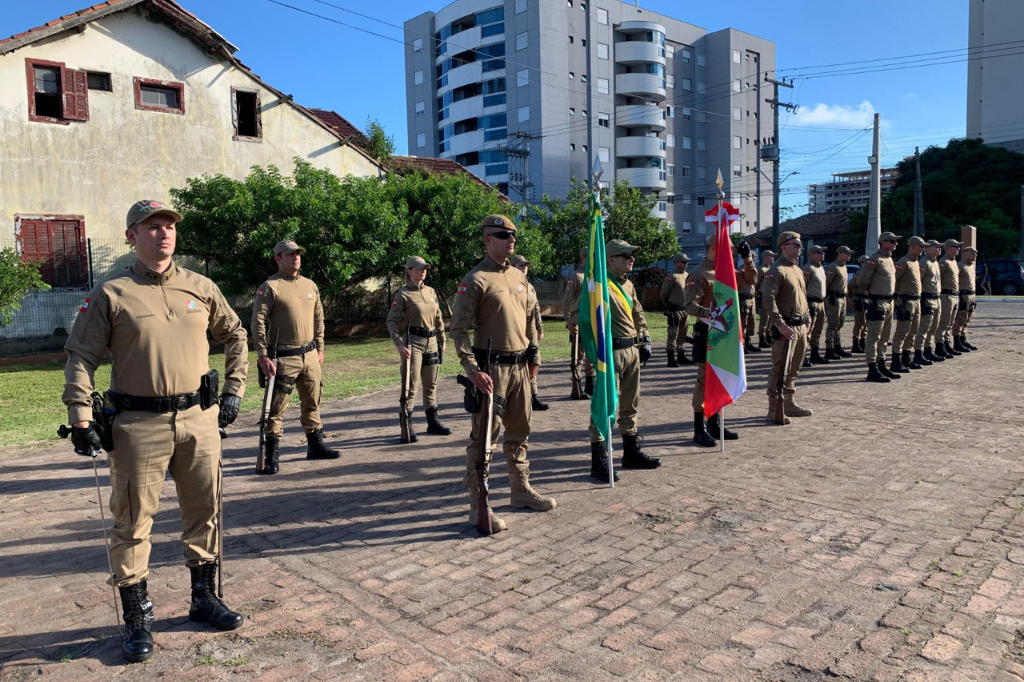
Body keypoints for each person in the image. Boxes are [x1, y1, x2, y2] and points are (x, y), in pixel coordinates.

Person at [63, 200, 249, 663]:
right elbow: (81, 357)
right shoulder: (112, 293)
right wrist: (81, 417)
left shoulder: (200, 287)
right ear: (131, 236)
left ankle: (203, 598)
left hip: (199, 420)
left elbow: (237, 334)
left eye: (169, 226)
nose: (163, 233)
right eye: (151, 227)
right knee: (131, 522)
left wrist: (234, 390)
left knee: (205, 511)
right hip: (137, 426)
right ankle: (137, 617)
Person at [450, 214, 555, 533]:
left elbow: (528, 323)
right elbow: (459, 329)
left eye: (512, 234)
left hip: (520, 367)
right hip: (490, 369)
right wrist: (471, 369)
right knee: (484, 439)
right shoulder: (476, 279)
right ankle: (476, 505)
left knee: (520, 432)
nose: (510, 238)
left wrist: (534, 354)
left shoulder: (520, 278)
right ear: (487, 240)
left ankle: (520, 491)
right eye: (502, 234)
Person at [570, 240, 661, 481]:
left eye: (632, 255)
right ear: (610, 259)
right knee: (605, 404)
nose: (631, 259)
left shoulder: (628, 284)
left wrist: (646, 338)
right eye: (625, 255)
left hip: (632, 351)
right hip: (610, 353)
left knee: (630, 404)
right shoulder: (597, 284)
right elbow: (577, 313)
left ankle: (630, 453)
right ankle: (598, 460)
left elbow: (638, 313)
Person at [252, 240, 340, 474]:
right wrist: (262, 354)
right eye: (289, 255)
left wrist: (320, 348)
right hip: (282, 357)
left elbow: (319, 319)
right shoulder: (270, 287)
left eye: (298, 254)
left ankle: (315, 445)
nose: (296, 258)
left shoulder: (310, 285)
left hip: (310, 354)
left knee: (313, 401)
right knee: (276, 407)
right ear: (278, 259)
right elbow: (258, 322)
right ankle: (271, 453)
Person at [684, 232, 757, 446]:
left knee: (722, 376)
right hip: (708, 333)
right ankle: (700, 428)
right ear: (715, 248)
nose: (732, 253)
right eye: (729, 249)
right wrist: (712, 313)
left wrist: (747, 259)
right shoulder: (699, 274)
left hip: (725, 333)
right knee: (705, 380)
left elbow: (750, 280)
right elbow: (690, 306)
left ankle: (715, 424)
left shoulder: (725, 272)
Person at [386, 256, 451, 442]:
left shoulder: (431, 291)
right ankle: (407, 424)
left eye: (425, 268)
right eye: (419, 268)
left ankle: (433, 421)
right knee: (411, 385)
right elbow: (391, 321)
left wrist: (442, 338)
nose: (423, 271)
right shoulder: (403, 295)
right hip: (412, 342)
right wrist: (398, 343)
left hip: (432, 341)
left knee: (431, 384)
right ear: (409, 271)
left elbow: (438, 316)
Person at [761, 231, 812, 424]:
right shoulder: (777, 270)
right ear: (784, 247)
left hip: (800, 326)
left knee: (795, 367)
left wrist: (807, 317)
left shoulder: (797, 270)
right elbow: (768, 299)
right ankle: (774, 408)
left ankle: (789, 402)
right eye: (796, 244)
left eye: (800, 244)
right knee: (779, 368)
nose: (800, 248)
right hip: (786, 327)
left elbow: (802, 297)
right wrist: (779, 323)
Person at [856, 231, 901, 382]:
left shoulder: (889, 259)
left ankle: (882, 364)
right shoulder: (874, 259)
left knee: (885, 336)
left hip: (889, 302)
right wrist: (871, 290)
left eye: (895, 241)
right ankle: (872, 368)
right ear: (882, 242)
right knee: (873, 336)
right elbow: (861, 280)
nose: (895, 243)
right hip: (877, 302)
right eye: (892, 241)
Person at [510, 255, 549, 410]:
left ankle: (533, 396)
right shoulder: (509, 285)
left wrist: (540, 327)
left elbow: (536, 308)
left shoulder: (530, 286)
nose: (524, 268)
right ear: (512, 267)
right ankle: (518, 397)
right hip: (516, 328)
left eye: (525, 265)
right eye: (521, 265)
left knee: (534, 360)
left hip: (530, 328)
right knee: (518, 363)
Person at [890, 236, 926, 373]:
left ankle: (906, 358)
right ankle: (895, 361)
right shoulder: (903, 262)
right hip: (906, 301)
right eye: (920, 246)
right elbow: (894, 280)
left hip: (916, 301)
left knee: (913, 331)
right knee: (902, 331)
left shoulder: (915, 262)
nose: (922, 249)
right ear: (911, 246)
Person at [562, 247, 594, 398]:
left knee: (592, 355)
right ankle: (577, 387)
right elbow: (567, 300)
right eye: (589, 257)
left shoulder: (595, 275)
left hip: (593, 322)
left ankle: (591, 385)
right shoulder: (576, 276)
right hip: (579, 322)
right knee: (578, 357)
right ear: (582, 258)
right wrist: (569, 321)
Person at [914, 239, 944, 366]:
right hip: (927, 299)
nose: (940, 249)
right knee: (924, 328)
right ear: (929, 249)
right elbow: (918, 281)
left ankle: (928, 350)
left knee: (933, 327)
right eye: (937, 247)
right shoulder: (923, 263)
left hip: (937, 298)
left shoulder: (935, 263)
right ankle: (918, 353)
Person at [660, 253, 693, 366]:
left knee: (683, 333)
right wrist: (668, 305)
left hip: (685, 309)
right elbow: (664, 292)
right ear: (676, 262)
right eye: (683, 262)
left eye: (687, 262)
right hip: (675, 310)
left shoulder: (686, 275)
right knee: (673, 334)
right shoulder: (672, 276)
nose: (686, 264)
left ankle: (681, 355)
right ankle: (670, 358)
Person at [823, 246, 853, 360]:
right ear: (839, 254)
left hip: (842, 298)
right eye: (847, 253)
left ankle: (837, 346)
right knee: (832, 325)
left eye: (849, 253)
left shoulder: (843, 266)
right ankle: (829, 349)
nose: (849, 255)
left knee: (840, 324)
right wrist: (827, 298)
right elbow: (826, 283)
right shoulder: (833, 267)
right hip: (834, 299)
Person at [936, 238, 963, 358]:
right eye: (955, 246)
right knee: (944, 322)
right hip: (946, 295)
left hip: (954, 295)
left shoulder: (954, 262)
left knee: (950, 323)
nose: (958, 249)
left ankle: (946, 343)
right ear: (947, 248)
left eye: (958, 246)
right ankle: (939, 345)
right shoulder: (943, 262)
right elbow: (938, 279)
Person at [802, 245, 828, 365]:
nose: (822, 254)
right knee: (808, 330)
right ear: (811, 254)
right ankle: (803, 356)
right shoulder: (808, 268)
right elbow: (802, 287)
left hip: (821, 302)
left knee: (817, 330)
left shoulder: (820, 267)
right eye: (819, 252)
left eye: (823, 252)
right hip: (811, 302)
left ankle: (814, 353)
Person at [953, 246, 979, 352]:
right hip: (963, 295)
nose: (975, 255)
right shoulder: (960, 265)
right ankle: (957, 341)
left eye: (976, 254)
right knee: (960, 319)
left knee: (966, 320)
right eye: (972, 253)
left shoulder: (971, 266)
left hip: (971, 296)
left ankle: (963, 339)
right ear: (965, 254)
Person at [737, 250, 761, 355]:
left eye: (754, 257)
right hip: (744, 298)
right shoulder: (742, 269)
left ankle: (748, 342)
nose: (754, 259)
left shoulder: (753, 270)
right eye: (752, 257)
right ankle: (742, 345)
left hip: (751, 298)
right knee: (744, 322)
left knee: (751, 322)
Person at [756, 250, 777, 348]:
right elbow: (757, 284)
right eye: (771, 256)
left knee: (770, 318)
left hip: (768, 295)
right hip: (762, 295)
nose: (773, 258)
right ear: (765, 257)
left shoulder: (771, 269)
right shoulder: (761, 269)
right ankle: (761, 338)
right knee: (764, 319)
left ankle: (768, 336)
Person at [850, 255, 870, 354]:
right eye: (865, 262)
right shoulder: (859, 273)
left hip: (866, 300)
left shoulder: (867, 273)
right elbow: (851, 285)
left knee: (866, 322)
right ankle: (855, 343)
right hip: (859, 299)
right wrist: (851, 296)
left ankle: (862, 341)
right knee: (859, 322)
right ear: (861, 263)